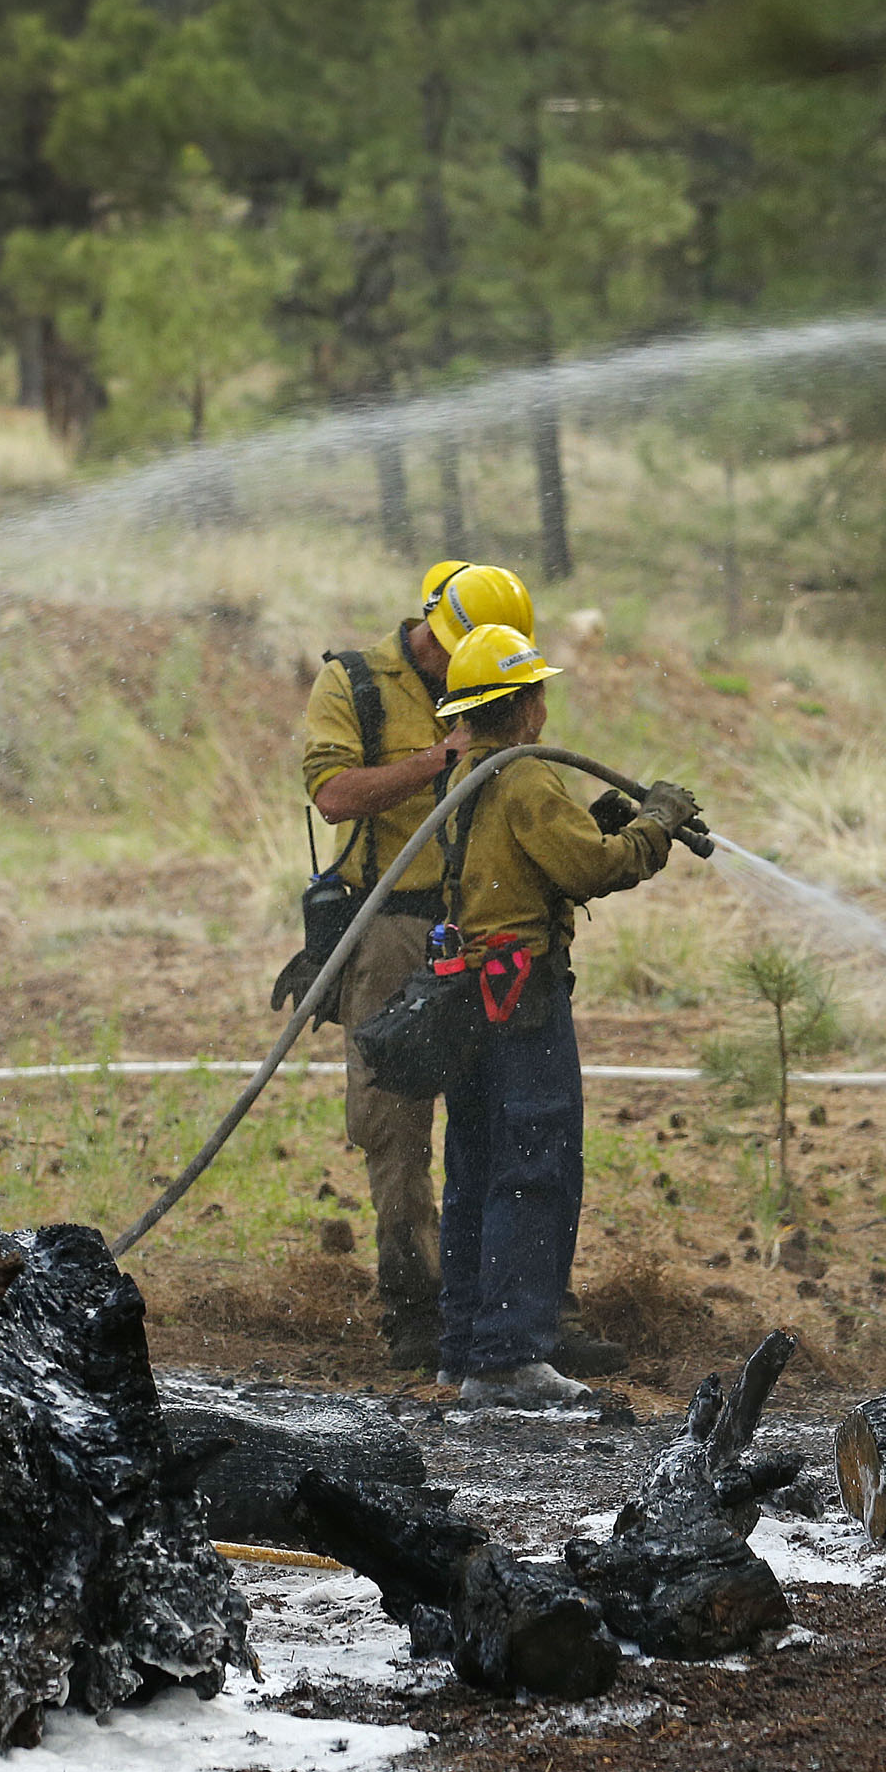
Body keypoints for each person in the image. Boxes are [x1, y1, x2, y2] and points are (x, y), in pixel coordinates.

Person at [427, 621, 699, 1407]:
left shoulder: (467, 777)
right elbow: (595, 868)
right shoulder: (525, 779)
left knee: (475, 1165)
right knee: (536, 1162)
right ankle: (509, 1357)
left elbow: (530, 865)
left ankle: (464, 1349)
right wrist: (654, 827)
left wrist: (601, 820)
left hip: (468, 998)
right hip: (522, 997)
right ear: (528, 704)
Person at [294, 561, 530, 1369]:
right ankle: (415, 1307)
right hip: (392, 923)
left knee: (511, 1114)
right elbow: (334, 795)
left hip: (488, 927)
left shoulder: (497, 672)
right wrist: (438, 759)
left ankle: (514, 1307)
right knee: (395, 1122)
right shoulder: (352, 683)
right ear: (432, 629)